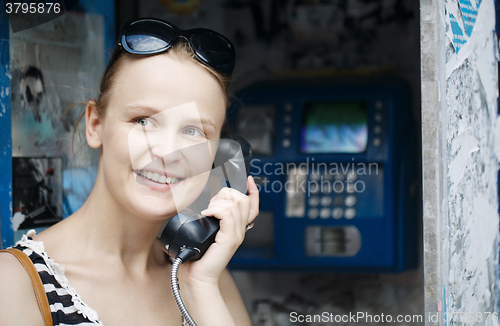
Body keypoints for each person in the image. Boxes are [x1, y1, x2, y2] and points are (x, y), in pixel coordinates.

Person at [0, 18, 259, 326]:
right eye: (143, 121)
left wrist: (201, 287)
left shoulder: (206, 277)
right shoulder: (14, 286)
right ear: (95, 126)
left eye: (193, 131)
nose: (167, 152)